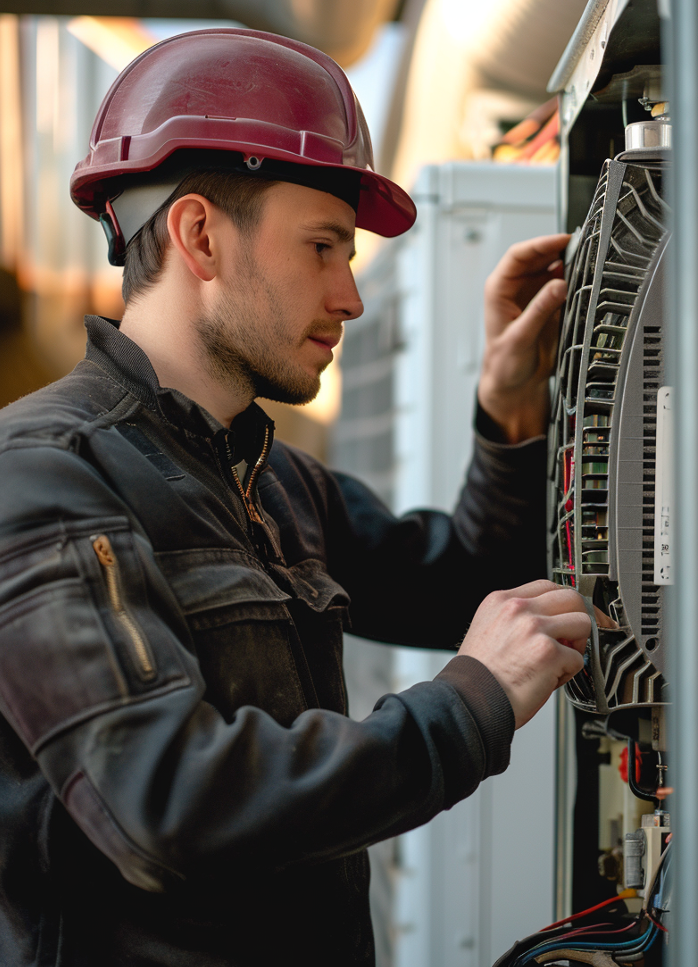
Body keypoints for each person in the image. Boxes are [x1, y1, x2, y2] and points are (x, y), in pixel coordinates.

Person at [0, 27, 591, 967]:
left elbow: (467, 586)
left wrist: (507, 408)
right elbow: (162, 804)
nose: (349, 295)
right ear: (199, 234)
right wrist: (466, 705)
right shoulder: (44, 478)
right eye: (323, 246)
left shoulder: (271, 478)